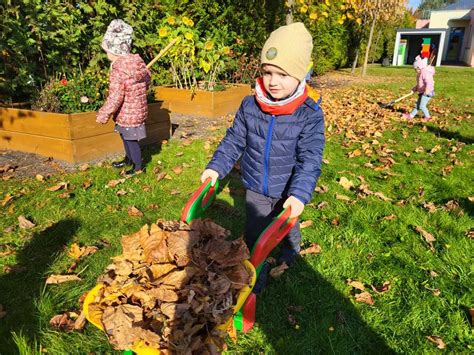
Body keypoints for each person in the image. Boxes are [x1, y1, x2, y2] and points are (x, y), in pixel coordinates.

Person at [200, 22, 325, 271]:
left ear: (300, 75)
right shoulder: (250, 105)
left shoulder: (309, 114)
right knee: (255, 231)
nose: (272, 82)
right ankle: (254, 267)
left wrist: (299, 194)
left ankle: (291, 250)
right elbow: (234, 139)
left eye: (282, 74)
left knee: (286, 228)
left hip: (287, 186)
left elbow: (310, 158)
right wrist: (216, 168)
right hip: (256, 184)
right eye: (267, 72)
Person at [96, 19, 151, 176]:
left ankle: (138, 167)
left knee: (130, 140)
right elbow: (147, 80)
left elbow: (115, 96)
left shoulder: (119, 70)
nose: (106, 53)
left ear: (114, 51)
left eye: (106, 50)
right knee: (125, 136)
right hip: (135, 110)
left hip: (128, 112)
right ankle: (129, 160)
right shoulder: (137, 63)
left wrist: (104, 113)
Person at [403, 55, 435, 121]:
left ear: (419, 67)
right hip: (423, 92)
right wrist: (414, 89)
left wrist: (427, 91)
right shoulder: (420, 74)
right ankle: (411, 116)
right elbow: (419, 85)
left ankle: (428, 117)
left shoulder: (425, 73)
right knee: (417, 105)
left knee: (421, 106)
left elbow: (429, 83)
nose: (415, 70)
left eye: (415, 69)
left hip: (427, 93)